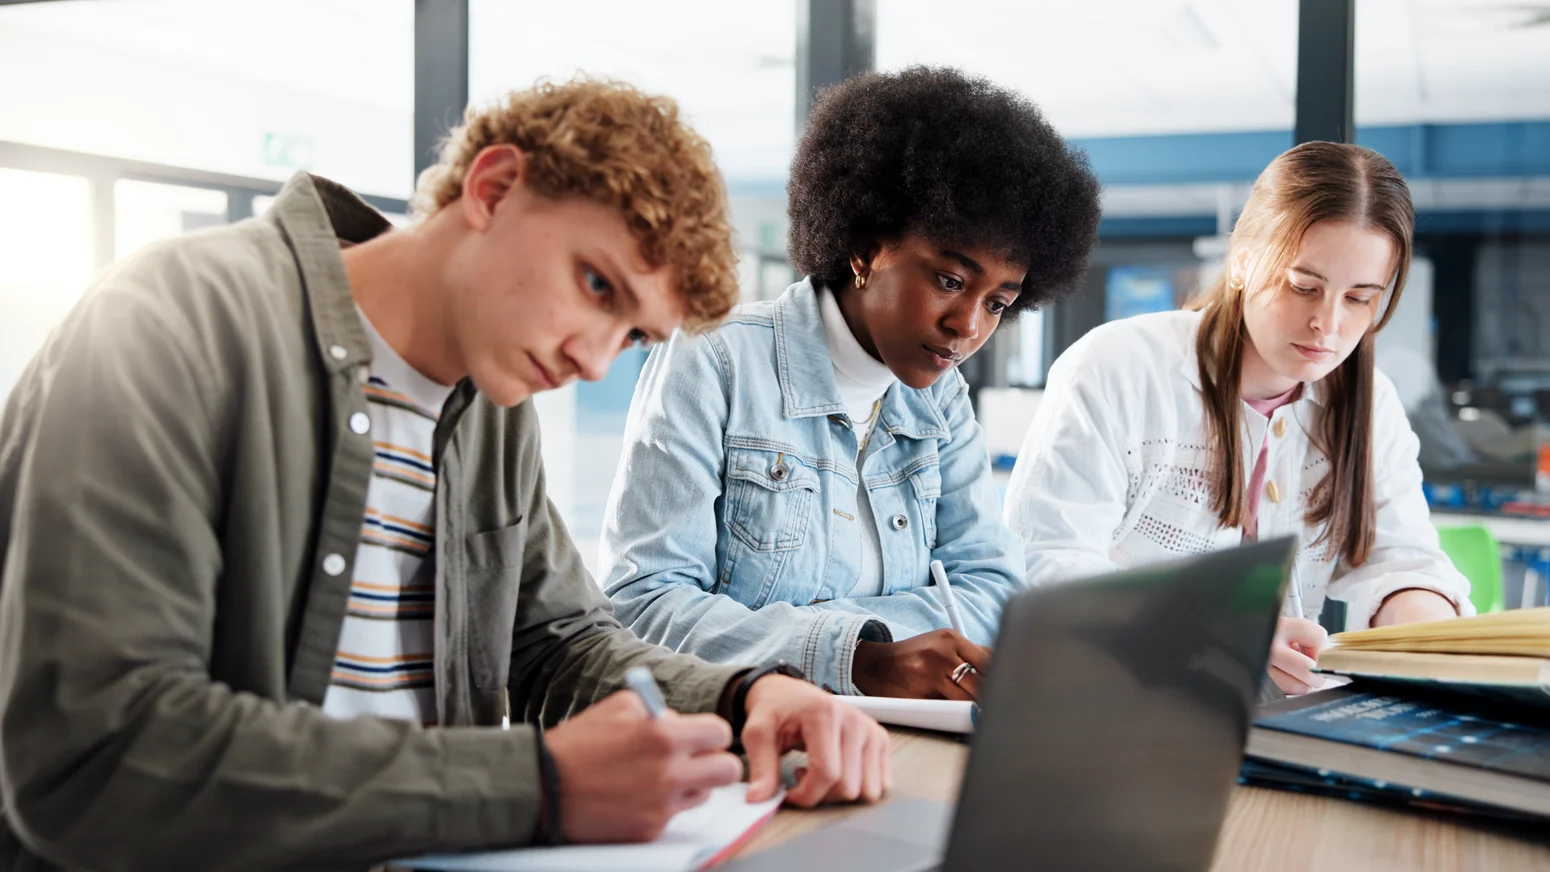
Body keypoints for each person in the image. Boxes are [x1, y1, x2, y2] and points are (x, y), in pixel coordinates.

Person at [0, 78, 889, 871]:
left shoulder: (494, 405)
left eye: (630, 338)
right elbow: (96, 754)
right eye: (595, 285)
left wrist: (749, 695)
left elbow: (558, 644)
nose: (592, 360)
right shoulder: (171, 321)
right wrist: (529, 784)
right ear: (493, 188)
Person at [599, 67, 1101, 701]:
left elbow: (993, 585)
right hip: (740, 740)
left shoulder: (939, 395)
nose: (967, 327)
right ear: (866, 249)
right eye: (949, 280)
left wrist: (875, 658)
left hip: (896, 731)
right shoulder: (715, 359)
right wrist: (858, 658)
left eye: (998, 303)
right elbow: (643, 606)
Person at [1004, 141, 1472, 698]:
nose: (1328, 323)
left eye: (1360, 299)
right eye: (1304, 287)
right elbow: (1046, 563)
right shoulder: (1116, 367)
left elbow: (1402, 558)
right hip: (1117, 699)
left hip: (1278, 718)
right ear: (1245, 260)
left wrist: (1424, 632)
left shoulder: (1370, 401)